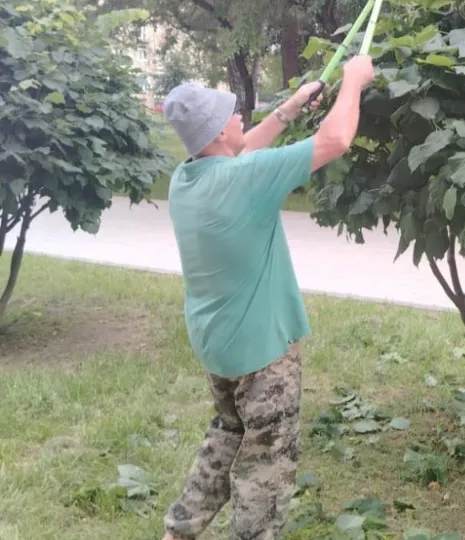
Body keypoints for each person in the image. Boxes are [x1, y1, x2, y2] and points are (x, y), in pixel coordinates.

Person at [159, 55, 375, 540]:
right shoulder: (245, 178)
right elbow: (336, 140)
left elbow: (238, 152)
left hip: (218, 347)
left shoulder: (187, 179)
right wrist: (355, 80)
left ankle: (181, 528)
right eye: (230, 114)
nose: (240, 117)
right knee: (267, 461)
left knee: (229, 431)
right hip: (262, 355)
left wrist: (289, 109)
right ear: (216, 135)